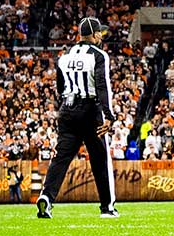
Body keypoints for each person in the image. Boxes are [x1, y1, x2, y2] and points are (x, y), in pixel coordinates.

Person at [38, 17, 119, 220]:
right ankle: (107, 207)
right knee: (100, 159)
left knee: (60, 158)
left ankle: (46, 197)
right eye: (99, 32)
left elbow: (59, 87)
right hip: (90, 110)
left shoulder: (64, 56)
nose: (101, 35)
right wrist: (109, 116)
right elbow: (102, 86)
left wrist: (66, 105)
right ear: (93, 34)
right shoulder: (99, 55)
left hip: (67, 109)